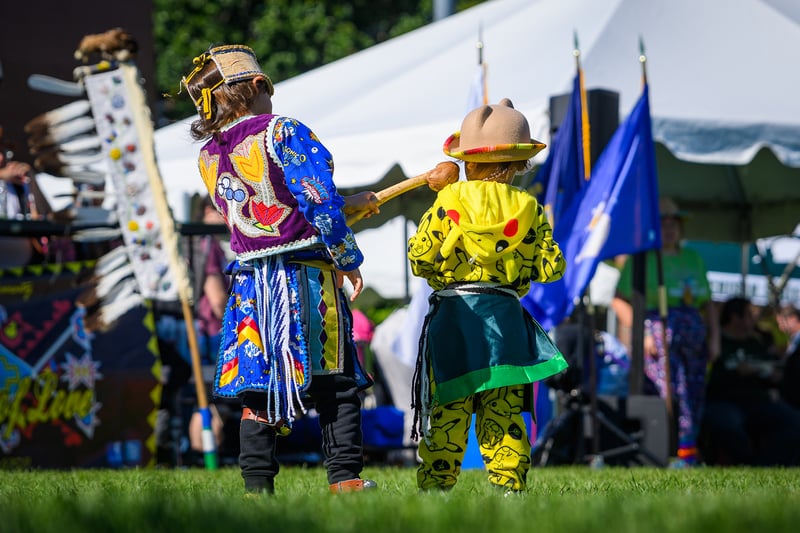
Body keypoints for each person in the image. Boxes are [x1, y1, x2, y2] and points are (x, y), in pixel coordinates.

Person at [181, 44, 382, 494]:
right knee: (336, 382)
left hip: (252, 287)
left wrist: (348, 205)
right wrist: (348, 258)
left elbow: (263, 206)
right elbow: (317, 201)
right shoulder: (282, 130)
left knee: (259, 389)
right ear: (256, 86)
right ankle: (344, 479)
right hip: (304, 282)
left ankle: (257, 488)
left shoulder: (209, 155)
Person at [407, 98, 568, 493]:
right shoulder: (530, 208)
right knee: (504, 413)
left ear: (468, 161)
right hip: (505, 323)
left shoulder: (448, 201)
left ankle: (436, 491)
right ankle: (510, 490)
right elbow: (552, 269)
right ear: (516, 164)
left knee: (447, 412)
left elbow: (420, 258)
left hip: (456, 318)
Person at [611, 197, 719, 467]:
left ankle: (688, 451)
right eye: (664, 223)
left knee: (693, 393)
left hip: (692, 339)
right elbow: (619, 300)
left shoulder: (692, 258)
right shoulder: (643, 259)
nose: (670, 228)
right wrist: (642, 333)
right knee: (673, 392)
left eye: (674, 223)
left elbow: (708, 305)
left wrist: (714, 338)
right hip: (658, 337)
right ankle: (675, 452)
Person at [700, 297, 800, 466]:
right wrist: (737, 372)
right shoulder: (716, 344)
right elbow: (709, 377)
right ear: (734, 317)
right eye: (749, 315)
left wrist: (772, 377)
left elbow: (774, 373)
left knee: (793, 420)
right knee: (728, 424)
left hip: (757, 401)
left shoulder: (755, 343)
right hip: (723, 401)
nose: (754, 320)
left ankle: (766, 466)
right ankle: (744, 464)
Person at [0, 126, 52, 268]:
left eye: (2, 150)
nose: (1, 157)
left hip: (23, 265)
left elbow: (42, 218)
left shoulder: (20, 179)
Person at [777, 303, 800, 410]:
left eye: (782, 322)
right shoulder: (793, 338)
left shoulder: (798, 340)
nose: (780, 326)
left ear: (793, 319)